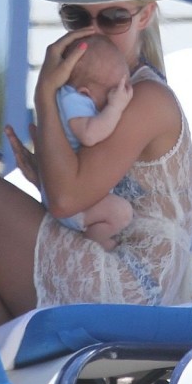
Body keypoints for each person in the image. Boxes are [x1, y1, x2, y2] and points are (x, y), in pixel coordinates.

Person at [0, 0, 192, 330]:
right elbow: (70, 196)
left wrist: (45, 91)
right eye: (77, 17)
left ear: (144, 16)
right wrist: (44, 173)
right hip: (101, 265)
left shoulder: (145, 98)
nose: (92, 32)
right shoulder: (87, 96)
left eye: (112, 18)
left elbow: (64, 200)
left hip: (130, 289)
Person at [46, 33, 133, 250]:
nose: (117, 97)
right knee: (121, 213)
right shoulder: (74, 99)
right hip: (71, 199)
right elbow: (89, 135)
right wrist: (115, 108)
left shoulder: (71, 96)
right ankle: (92, 247)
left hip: (66, 194)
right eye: (112, 93)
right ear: (86, 93)